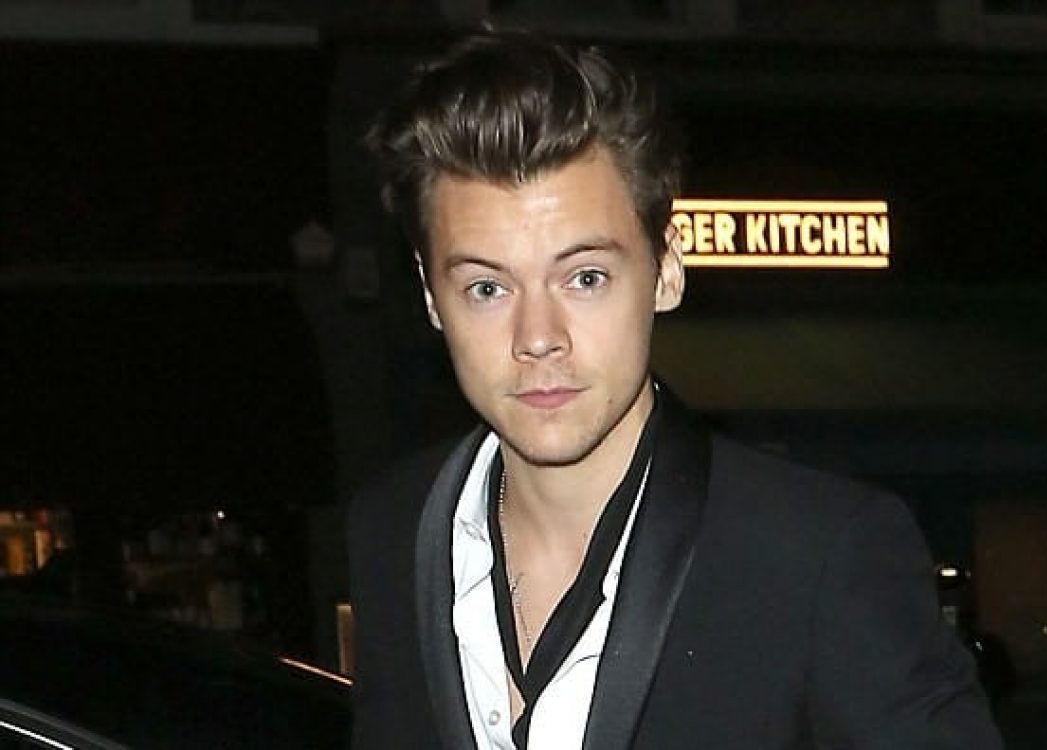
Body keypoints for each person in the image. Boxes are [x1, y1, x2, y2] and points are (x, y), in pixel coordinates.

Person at [349, 30, 1003, 750]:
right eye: (486, 287)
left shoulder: (819, 556)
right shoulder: (392, 530)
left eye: (584, 278)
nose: (538, 336)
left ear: (666, 270)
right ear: (431, 296)